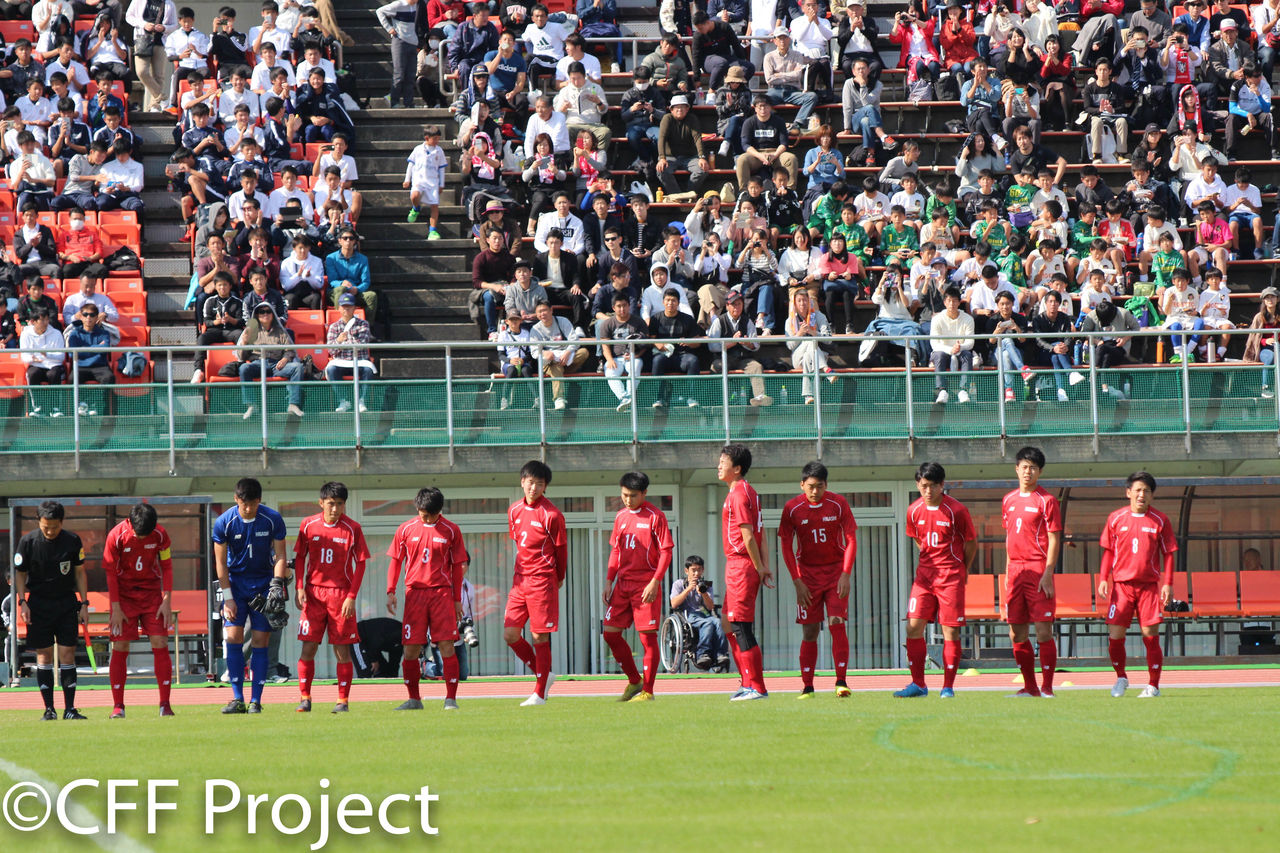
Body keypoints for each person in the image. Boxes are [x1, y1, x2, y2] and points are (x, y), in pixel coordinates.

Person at [895, 462, 977, 699]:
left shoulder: (957, 511)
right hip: (924, 577)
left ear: (942, 485)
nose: (928, 491)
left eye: (933, 486)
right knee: (912, 627)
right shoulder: (913, 510)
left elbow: (971, 543)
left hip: (950, 576)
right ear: (917, 485)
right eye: (923, 486)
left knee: (950, 632)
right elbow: (917, 539)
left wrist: (963, 569)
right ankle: (918, 684)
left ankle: (948, 687)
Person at [778, 461, 857, 699]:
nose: (815, 491)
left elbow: (851, 538)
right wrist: (797, 580)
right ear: (802, 484)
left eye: (820, 486)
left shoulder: (838, 503)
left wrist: (846, 573)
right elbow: (785, 545)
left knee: (836, 622)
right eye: (810, 486)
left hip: (835, 573)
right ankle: (808, 686)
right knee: (810, 631)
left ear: (826, 485)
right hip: (808, 577)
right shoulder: (792, 508)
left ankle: (841, 681)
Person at [386, 487, 468, 711]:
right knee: (411, 649)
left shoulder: (452, 530)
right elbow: (395, 560)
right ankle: (414, 699)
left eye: (432, 514)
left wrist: (457, 598)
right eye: (424, 514)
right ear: (417, 509)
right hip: (415, 594)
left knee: (446, 646)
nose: (428, 518)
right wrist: (390, 590)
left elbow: (457, 568)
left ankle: (450, 699)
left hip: (441, 594)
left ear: (439, 510)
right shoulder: (405, 529)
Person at [213, 477, 289, 714]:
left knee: (260, 641)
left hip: (263, 585)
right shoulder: (224, 522)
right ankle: (238, 698)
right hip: (234, 585)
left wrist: (277, 584)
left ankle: (256, 700)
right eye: (243, 503)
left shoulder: (272, 519)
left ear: (259, 500)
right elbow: (220, 563)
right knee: (233, 637)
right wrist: (228, 597)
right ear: (236, 499)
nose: (248, 508)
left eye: (252, 504)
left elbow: (280, 556)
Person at [293, 481, 370, 713]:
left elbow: (362, 563)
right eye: (330, 504)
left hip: (340, 596)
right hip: (314, 594)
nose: (335, 508)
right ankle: (305, 698)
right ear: (321, 503)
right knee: (308, 648)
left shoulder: (352, 528)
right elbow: (299, 558)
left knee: (341, 650)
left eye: (339, 504)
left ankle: (342, 701)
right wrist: (299, 587)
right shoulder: (308, 525)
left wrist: (351, 596)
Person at [1099, 471, 1177, 698]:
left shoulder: (1160, 520)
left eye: (1147, 491)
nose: (1142, 494)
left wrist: (1168, 583)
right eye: (1138, 490)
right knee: (1115, 636)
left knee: (1150, 634)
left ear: (1152, 495)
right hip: (1122, 586)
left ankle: (1153, 685)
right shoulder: (1115, 518)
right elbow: (1108, 551)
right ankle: (1121, 678)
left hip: (1148, 587)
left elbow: (1169, 553)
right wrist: (1103, 577)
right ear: (1128, 493)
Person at [13, 500, 88, 720]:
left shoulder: (72, 541)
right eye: (46, 526)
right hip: (38, 604)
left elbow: (80, 573)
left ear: (61, 523)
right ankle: (49, 709)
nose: (50, 531)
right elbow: (20, 574)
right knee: (43, 656)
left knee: (67, 654)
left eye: (54, 526)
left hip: (66, 603)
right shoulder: (27, 542)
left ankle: (70, 709)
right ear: (39, 522)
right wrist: (22, 602)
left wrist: (84, 604)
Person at [602, 471, 674, 702]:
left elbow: (666, 551)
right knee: (610, 634)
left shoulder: (656, 516)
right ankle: (635, 680)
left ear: (644, 493)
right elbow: (616, 550)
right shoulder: (620, 517)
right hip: (622, 584)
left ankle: (648, 691)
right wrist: (608, 580)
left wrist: (656, 581)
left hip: (645, 584)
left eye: (633, 495)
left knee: (647, 638)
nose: (628, 499)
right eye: (624, 494)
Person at [999, 447, 1063, 698]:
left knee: (1044, 629)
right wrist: (1006, 575)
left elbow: (1054, 539)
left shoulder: (1046, 501)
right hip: (1015, 570)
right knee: (1016, 632)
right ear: (1017, 469)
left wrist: (1048, 573)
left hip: (1037, 569)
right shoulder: (1008, 500)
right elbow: (1008, 538)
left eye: (1033, 467)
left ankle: (1047, 687)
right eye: (1024, 467)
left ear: (1040, 471)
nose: (1028, 471)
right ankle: (1031, 687)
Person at [103, 502, 175, 718]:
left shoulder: (160, 535)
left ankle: (165, 704)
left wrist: (167, 600)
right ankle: (118, 706)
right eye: (139, 534)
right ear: (130, 523)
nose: (143, 538)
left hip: (152, 595)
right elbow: (110, 574)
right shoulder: (116, 536)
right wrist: (115, 608)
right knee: (120, 645)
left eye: (147, 534)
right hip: (124, 597)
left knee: (160, 641)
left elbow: (167, 566)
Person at [504, 459, 567, 706]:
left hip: (542, 580)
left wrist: (559, 576)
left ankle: (540, 693)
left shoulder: (552, 515)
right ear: (522, 482)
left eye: (539, 484)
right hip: (519, 580)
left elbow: (561, 551)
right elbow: (519, 542)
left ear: (545, 487)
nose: (533, 488)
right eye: (530, 483)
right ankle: (545, 674)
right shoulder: (513, 510)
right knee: (510, 634)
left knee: (539, 637)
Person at [718, 443, 771, 700]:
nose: (719, 465)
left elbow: (748, 535)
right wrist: (764, 565)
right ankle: (746, 681)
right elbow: (762, 534)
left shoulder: (738, 493)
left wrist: (759, 568)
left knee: (741, 625)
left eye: (723, 462)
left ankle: (757, 687)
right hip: (740, 564)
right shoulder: (749, 491)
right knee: (728, 621)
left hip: (741, 564)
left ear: (737, 469)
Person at [708, 290, 773, 406]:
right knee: (715, 366)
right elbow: (712, 346)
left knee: (757, 367)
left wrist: (747, 344)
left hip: (744, 359)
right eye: (733, 304)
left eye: (739, 304)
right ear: (727, 306)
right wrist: (731, 343)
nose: (737, 307)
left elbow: (756, 346)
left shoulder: (747, 321)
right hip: (724, 359)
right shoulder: (719, 321)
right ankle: (718, 400)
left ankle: (759, 397)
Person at [63, 302, 114, 417]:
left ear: (97, 317)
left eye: (92, 315)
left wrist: (82, 350)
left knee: (109, 378)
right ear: (80, 316)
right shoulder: (74, 334)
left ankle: (98, 407)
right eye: (85, 315)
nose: (88, 318)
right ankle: (81, 405)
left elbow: (105, 348)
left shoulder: (104, 333)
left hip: (100, 366)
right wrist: (96, 348)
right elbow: (72, 354)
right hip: (81, 366)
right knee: (72, 378)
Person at [763, 28, 817, 135]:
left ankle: (797, 124)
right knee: (759, 101)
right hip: (775, 90)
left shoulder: (797, 55)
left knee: (812, 97)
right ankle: (775, 124)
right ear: (775, 40)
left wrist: (779, 75)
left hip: (793, 91)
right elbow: (769, 79)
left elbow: (798, 75)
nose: (782, 41)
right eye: (779, 38)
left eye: (785, 38)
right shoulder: (769, 57)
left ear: (789, 39)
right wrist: (790, 75)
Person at [930, 286, 975, 404]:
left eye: (954, 301)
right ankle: (942, 390)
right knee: (938, 355)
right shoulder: (937, 319)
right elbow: (934, 344)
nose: (952, 304)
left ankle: (963, 390)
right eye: (949, 301)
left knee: (967, 355)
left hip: (961, 351)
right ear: (944, 302)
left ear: (959, 302)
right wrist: (951, 350)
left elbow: (970, 342)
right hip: (943, 351)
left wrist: (960, 348)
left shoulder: (968, 319)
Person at [656, 95, 708, 196]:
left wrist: (702, 156)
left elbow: (697, 138)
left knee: (702, 169)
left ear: (687, 109)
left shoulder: (692, 119)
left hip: (690, 157)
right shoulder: (667, 118)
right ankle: (677, 196)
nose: (679, 109)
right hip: (670, 157)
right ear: (671, 109)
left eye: (682, 107)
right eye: (676, 107)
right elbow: (661, 138)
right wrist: (662, 158)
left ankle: (689, 194)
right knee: (661, 171)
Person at [404, 125, 446, 238]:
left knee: (434, 206)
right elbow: (411, 164)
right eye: (435, 138)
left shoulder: (439, 151)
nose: (437, 141)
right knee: (414, 196)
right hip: (419, 180)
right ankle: (416, 208)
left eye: (438, 138)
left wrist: (441, 184)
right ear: (427, 138)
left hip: (433, 182)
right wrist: (407, 179)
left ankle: (432, 230)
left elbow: (442, 168)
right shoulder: (418, 149)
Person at [376, 0, 420, 108]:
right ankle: (394, 101)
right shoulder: (398, 5)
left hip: (412, 41)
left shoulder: (415, 6)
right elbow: (380, 11)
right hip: (400, 41)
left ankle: (409, 102)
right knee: (399, 73)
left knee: (410, 75)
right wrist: (389, 28)